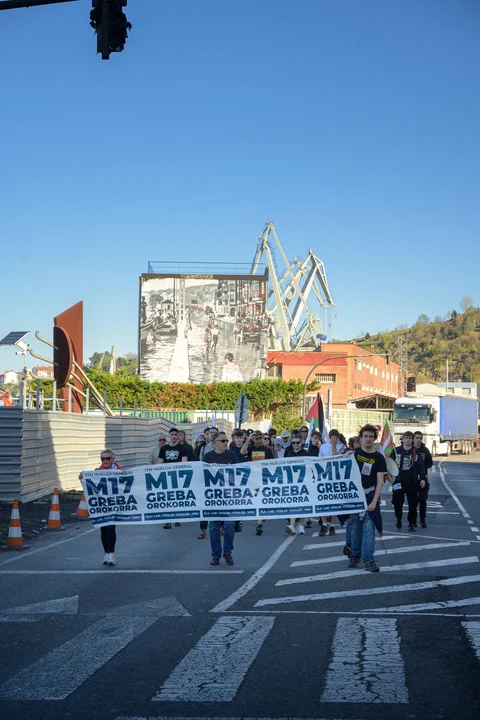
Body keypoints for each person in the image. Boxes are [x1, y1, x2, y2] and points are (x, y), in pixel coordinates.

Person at [348, 424, 386, 572]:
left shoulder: (379, 458)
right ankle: (355, 555)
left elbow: (380, 481)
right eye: (365, 436)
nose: (368, 439)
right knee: (355, 528)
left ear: (374, 439)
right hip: (355, 495)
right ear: (361, 438)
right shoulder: (353, 454)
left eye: (371, 437)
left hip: (370, 494)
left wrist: (374, 501)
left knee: (369, 529)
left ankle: (369, 560)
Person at [78, 449, 122, 566]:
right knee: (104, 529)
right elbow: (89, 488)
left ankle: (111, 554)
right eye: (103, 459)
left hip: (114, 504)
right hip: (101, 505)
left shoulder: (120, 472)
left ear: (113, 459)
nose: (105, 461)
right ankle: (106, 553)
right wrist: (82, 479)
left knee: (111, 528)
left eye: (108, 458)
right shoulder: (96, 472)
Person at [203, 431, 238, 565]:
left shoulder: (232, 455)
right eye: (222, 441)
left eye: (226, 441)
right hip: (213, 498)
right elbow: (202, 475)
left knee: (229, 525)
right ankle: (215, 555)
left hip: (228, 497)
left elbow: (237, 474)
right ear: (214, 443)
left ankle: (227, 553)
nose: (225, 443)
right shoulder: (207, 457)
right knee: (213, 528)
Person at [392, 431, 427, 532]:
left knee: (413, 504)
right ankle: (398, 518)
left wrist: (423, 478)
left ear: (412, 440)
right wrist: (395, 463)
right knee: (398, 502)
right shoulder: (396, 451)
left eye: (410, 438)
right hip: (399, 481)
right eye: (406, 438)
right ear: (402, 439)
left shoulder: (416, 452)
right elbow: (389, 464)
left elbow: (421, 466)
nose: (408, 440)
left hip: (412, 482)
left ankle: (411, 523)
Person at [241, 430, 274, 535]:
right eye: (257, 439)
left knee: (261, 500)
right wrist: (248, 439)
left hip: (264, 479)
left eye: (261, 438)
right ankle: (258, 520)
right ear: (254, 439)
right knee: (255, 500)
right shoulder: (251, 448)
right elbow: (242, 452)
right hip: (253, 478)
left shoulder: (267, 450)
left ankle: (259, 523)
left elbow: (273, 464)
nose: (259, 441)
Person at [158, 428, 188, 528]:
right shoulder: (164, 449)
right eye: (172, 434)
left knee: (177, 497)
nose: (174, 436)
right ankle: (168, 520)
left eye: (176, 434)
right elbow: (160, 463)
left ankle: (177, 518)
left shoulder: (183, 448)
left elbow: (184, 463)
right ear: (169, 436)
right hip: (166, 477)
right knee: (167, 498)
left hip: (178, 477)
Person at [318, 429, 345, 536]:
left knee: (334, 502)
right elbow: (319, 460)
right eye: (332, 438)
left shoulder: (342, 446)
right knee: (323, 501)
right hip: (325, 477)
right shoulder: (323, 447)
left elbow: (335, 457)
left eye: (336, 438)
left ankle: (332, 525)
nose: (334, 439)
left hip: (336, 477)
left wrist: (334, 444)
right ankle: (324, 524)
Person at [284, 438, 310, 535]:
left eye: (297, 442)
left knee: (303, 504)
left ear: (301, 443)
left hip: (304, 482)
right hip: (292, 483)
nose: (295, 444)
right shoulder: (289, 454)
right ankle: (292, 525)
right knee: (293, 504)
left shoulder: (306, 454)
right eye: (293, 443)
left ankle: (301, 526)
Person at [413, 431, 433, 528]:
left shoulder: (425, 450)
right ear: (413, 439)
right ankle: (413, 520)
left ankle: (422, 519)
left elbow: (430, 462)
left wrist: (422, 468)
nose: (419, 440)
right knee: (413, 501)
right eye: (417, 438)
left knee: (423, 499)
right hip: (412, 479)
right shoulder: (410, 449)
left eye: (420, 438)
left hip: (423, 478)